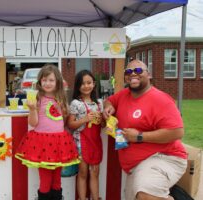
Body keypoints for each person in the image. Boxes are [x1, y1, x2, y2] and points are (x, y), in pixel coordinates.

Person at [102, 60, 187, 200]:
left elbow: (177, 132)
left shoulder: (161, 100)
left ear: (149, 74)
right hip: (136, 167)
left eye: (138, 71)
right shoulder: (123, 95)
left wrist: (140, 136)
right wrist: (108, 106)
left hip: (162, 157)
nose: (133, 74)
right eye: (128, 72)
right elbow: (110, 100)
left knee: (146, 195)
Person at [15, 64, 80, 200]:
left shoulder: (61, 98)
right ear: (39, 82)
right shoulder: (37, 98)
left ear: (57, 82)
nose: (47, 83)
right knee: (45, 180)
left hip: (59, 143)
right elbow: (33, 123)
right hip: (42, 144)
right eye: (44, 80)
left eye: (51, 80)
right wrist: (32, 109)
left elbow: (63, 121)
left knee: (57, 180)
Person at [67, 70, 104, 200]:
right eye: (83, 83)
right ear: (78, 86)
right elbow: (70, 124)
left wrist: (104, 119)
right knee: (82, 174)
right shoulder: (75, 103)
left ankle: (95, 198)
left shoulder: (99, 104)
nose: (86, 86)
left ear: (94, 84)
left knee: (95, 173)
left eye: (89, 83)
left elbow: (103, 125)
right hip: (81, 142)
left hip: (95, 142)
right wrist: (85, 119)